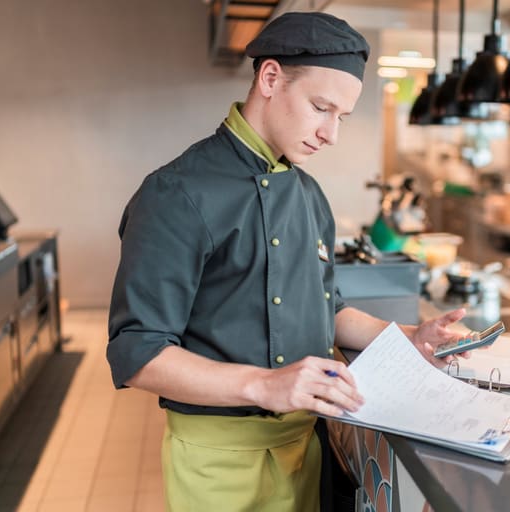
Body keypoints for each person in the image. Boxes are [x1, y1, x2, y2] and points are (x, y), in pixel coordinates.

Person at [106, 11, 466, 512]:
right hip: (221, 460)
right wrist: (264, 384)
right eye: (321, 107)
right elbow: (137, 354)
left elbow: (328, 310)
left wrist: (406, 337)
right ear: (270, 78)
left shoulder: (309, 194)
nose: (330, 134)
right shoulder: (176, 193)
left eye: (341, 116)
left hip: (308, 447)